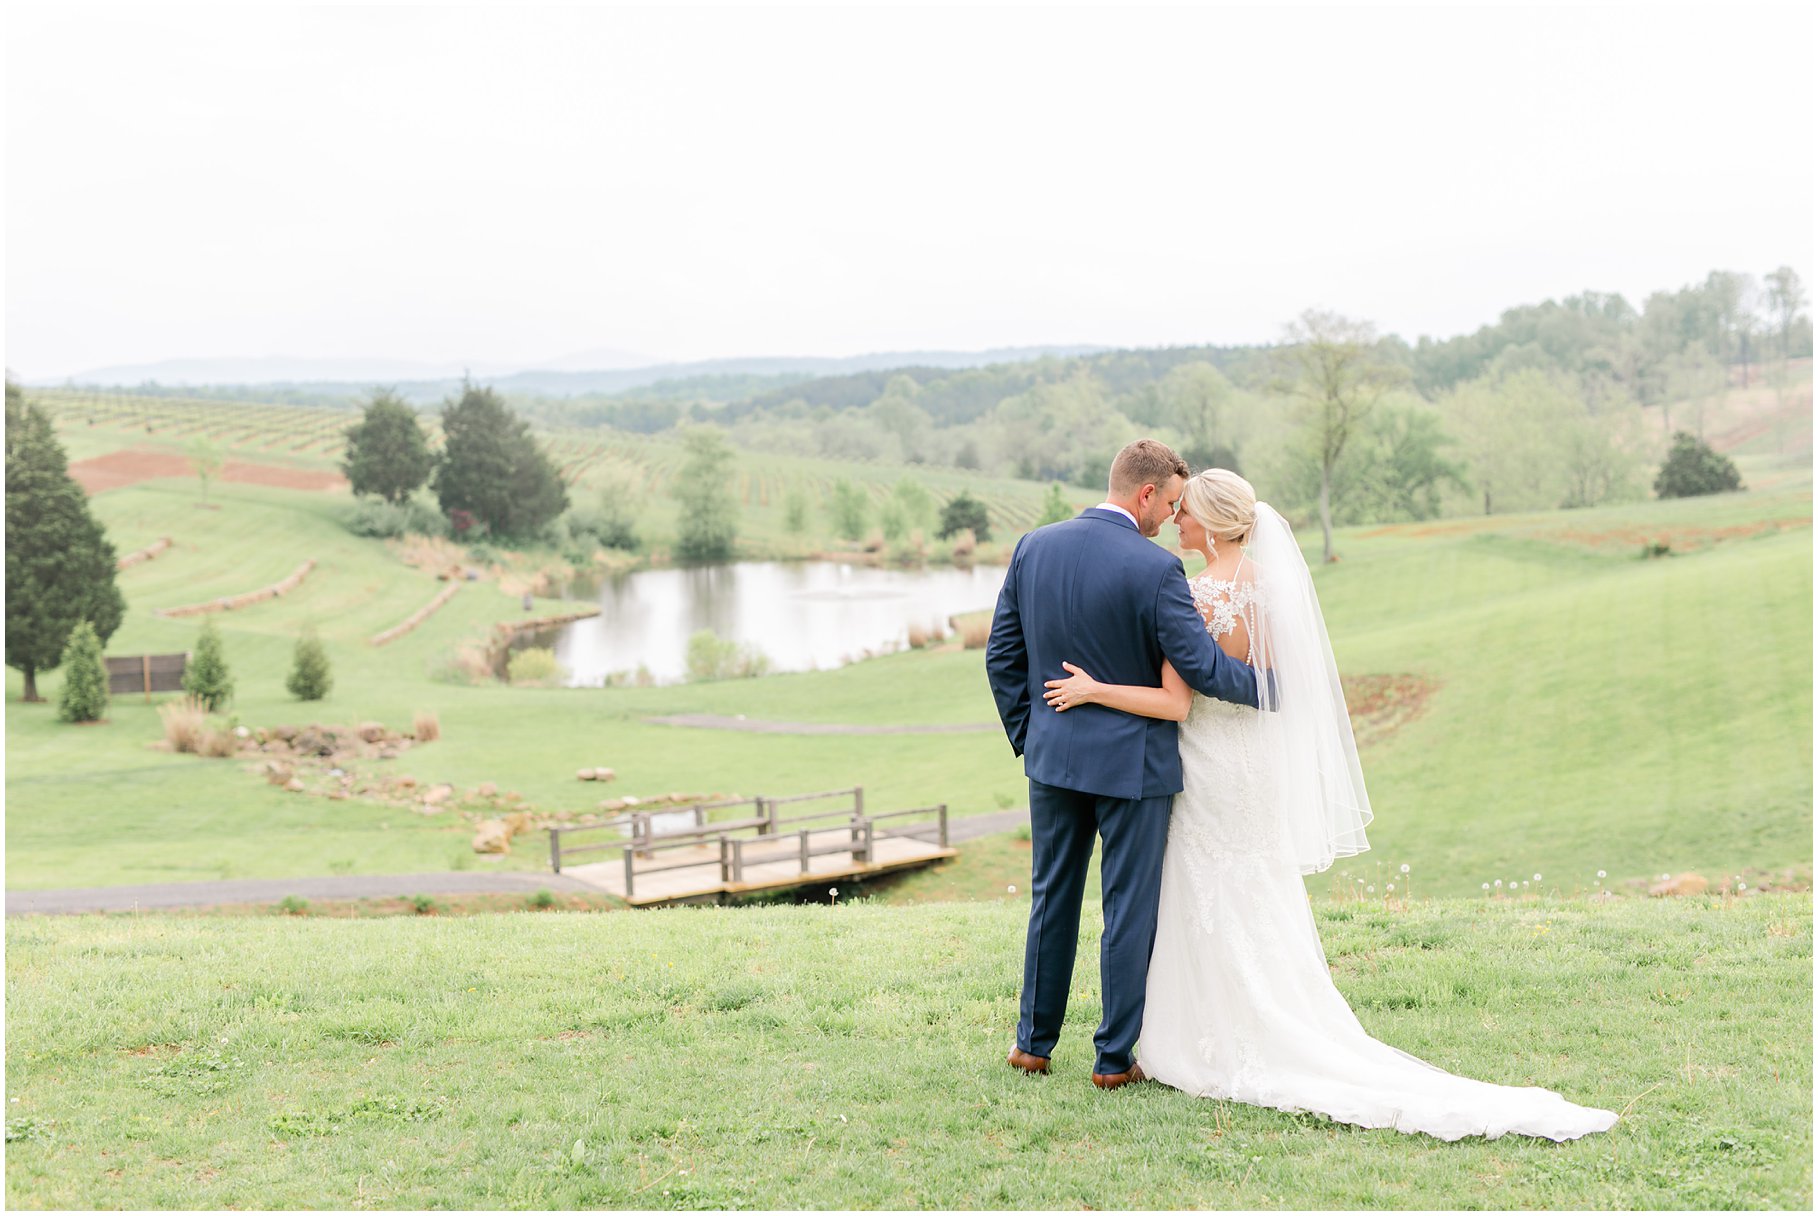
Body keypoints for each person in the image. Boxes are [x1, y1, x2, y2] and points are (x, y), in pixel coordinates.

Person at [1042, 467, 1618, 1140]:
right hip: (1252, 766)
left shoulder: (1195, 593)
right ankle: (1273, 1015)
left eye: (1186, 511)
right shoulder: (1270, 589)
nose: (1176, 520)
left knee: (1205, 889)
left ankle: (1211, 1035)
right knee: (1254, 886)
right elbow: (1284, 683)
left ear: (1213, 521)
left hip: (1207, 768)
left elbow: (1177, 701)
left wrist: (1094, 689)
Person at [985, 439, 1263, 1089]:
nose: (1172, 515)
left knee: (1051, 899)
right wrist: (1277, 689)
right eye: (1169, 502)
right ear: (1145, 494)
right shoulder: (1156, 570)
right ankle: (1112, 1060)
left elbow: (1002, 657)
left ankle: (1032, 1045)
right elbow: (1200, 668)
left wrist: (1034, 737)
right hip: (1132, 769)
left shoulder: (1035, 547)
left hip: (1052, 762)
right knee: (1128, 910)